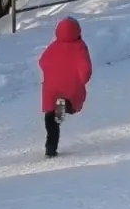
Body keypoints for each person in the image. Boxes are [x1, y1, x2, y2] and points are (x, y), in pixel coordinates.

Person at [37, 17, 93, 158]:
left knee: (51, 117)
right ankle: (64, 107)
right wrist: (83, 80)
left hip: (51, 88)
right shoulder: (79, 46)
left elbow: (42, 61)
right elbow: (85, 69)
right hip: (70, 87)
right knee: (63, 108)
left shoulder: (54, 46)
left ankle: (50, 146)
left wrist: (50, 72)